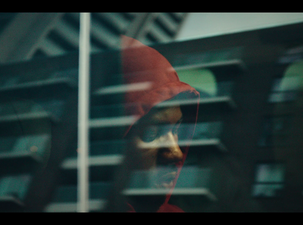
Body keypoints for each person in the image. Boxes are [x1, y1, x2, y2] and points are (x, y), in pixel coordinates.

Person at [104, 36, 261, 212]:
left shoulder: (221, 180)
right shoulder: (113, 184)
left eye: (183, 130)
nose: (174, 152)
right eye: (153, 134)